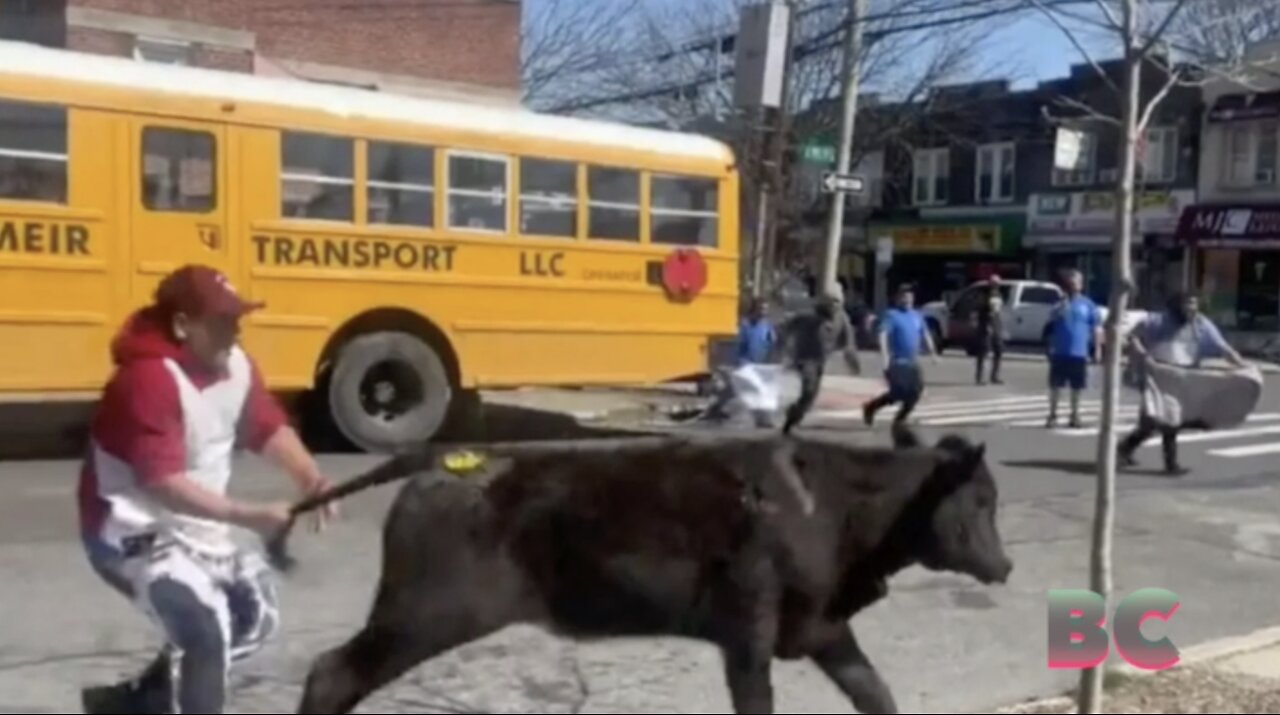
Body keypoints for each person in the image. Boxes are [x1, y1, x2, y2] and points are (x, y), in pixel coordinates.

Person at [78, 265, 339, 714]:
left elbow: (265, 426)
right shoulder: (147, 380)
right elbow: (160, 483)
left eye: (237, 320)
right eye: (222, 323)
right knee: (205, 632)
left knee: (252, 618)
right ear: (182, 326)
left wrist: (310, 478)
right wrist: (249, 515)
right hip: (132, 533)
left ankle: (141, 702)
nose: (235, 333)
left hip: (199, 526)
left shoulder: (234, 365)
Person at [1118, 292, 1247, 475]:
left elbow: (1223, 348)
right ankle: (1170, 465)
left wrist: (1242, 366)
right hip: (1159, 376)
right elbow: (1134, 336)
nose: (1191, 309)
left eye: (1194, 304)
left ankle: (1125, 448)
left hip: (1184, 378)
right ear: (1178, 306)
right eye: (1187, 304)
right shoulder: (1160, 320)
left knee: (1155, 422)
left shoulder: (1201, 324)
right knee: (1169, 420)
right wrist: (1143, 355)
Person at [780, 292, 861, 433]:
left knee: (811, 396)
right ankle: (791, 419)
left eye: (837, 304)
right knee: (809, 389)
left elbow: (849, 343)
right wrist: (784, 349)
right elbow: (787, 327)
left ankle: (793, 415)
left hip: (820, 360)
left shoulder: (841, 318)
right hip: (804, 358)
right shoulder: (807, 316)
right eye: (831, 305)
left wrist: (853, 362)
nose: (833, 308)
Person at [863, 283, 939, 427]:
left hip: (912, 362)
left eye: (910, 297)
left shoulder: (917, 315)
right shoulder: (891, 315)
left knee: (915, 391)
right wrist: (884, 357)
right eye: (904, 297)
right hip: (897, 361)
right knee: (899, 392)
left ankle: (900, 420)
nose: (907, 300)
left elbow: (925, 334)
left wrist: (933, 353)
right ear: (898, 298)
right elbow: (883, 334)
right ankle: (871, 407)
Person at [702, 297, 778, 426]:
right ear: (754, 309)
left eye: (765, 309)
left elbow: (772, 343)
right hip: (743, 363)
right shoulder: (744, 324)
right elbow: (735, 343)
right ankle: (762, 419)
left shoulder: (767, 326)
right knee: (757, 389)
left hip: (758, 364)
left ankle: (714, 409)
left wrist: (772, 360)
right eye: (761, 308)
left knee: (733, 390)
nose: (763, 312)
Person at [1045, 269, 1102, 428]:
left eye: (1076, 282)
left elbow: (1096, 328)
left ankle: (1075, 415)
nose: (1072, 285)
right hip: (1060, 352)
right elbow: (1051, 324)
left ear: (1081, 285)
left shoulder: (1088, 305)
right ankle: (1052, 415)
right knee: (1056, 386)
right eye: (1070, 283)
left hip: (1079, 353)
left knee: (1077, 387)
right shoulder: (1058, 305)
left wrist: (1097, 348)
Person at [973, 276, 1005, 385]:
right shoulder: (984, 295)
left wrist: (1001, 326)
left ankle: (995, 376)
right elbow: (980, 310)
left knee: (999, 351)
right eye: (994, 283)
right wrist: (985, 324)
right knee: (984, 353)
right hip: (986, 326)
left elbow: (998, 312)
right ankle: (980, 377)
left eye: (998, 283)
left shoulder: (999, 295)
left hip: (996, 326)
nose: (996, 285)